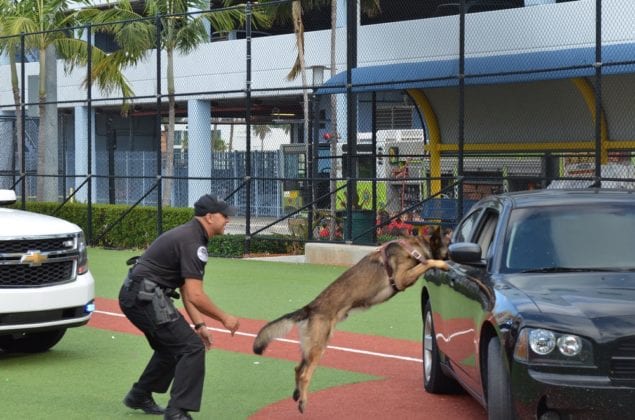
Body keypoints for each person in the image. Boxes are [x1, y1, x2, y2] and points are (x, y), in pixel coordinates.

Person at [119, 194, 241, 420]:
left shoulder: (192, 235)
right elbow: (195, 294)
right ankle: (177, 411)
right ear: (209, 217)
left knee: (172, 347)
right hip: (144, 297)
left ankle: (140, 395)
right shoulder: (193, 241)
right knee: (191, 348)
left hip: (139, 295)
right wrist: (225, 318)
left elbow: (186, 290)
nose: (228, 220)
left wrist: (200, 324)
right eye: (224, 215)